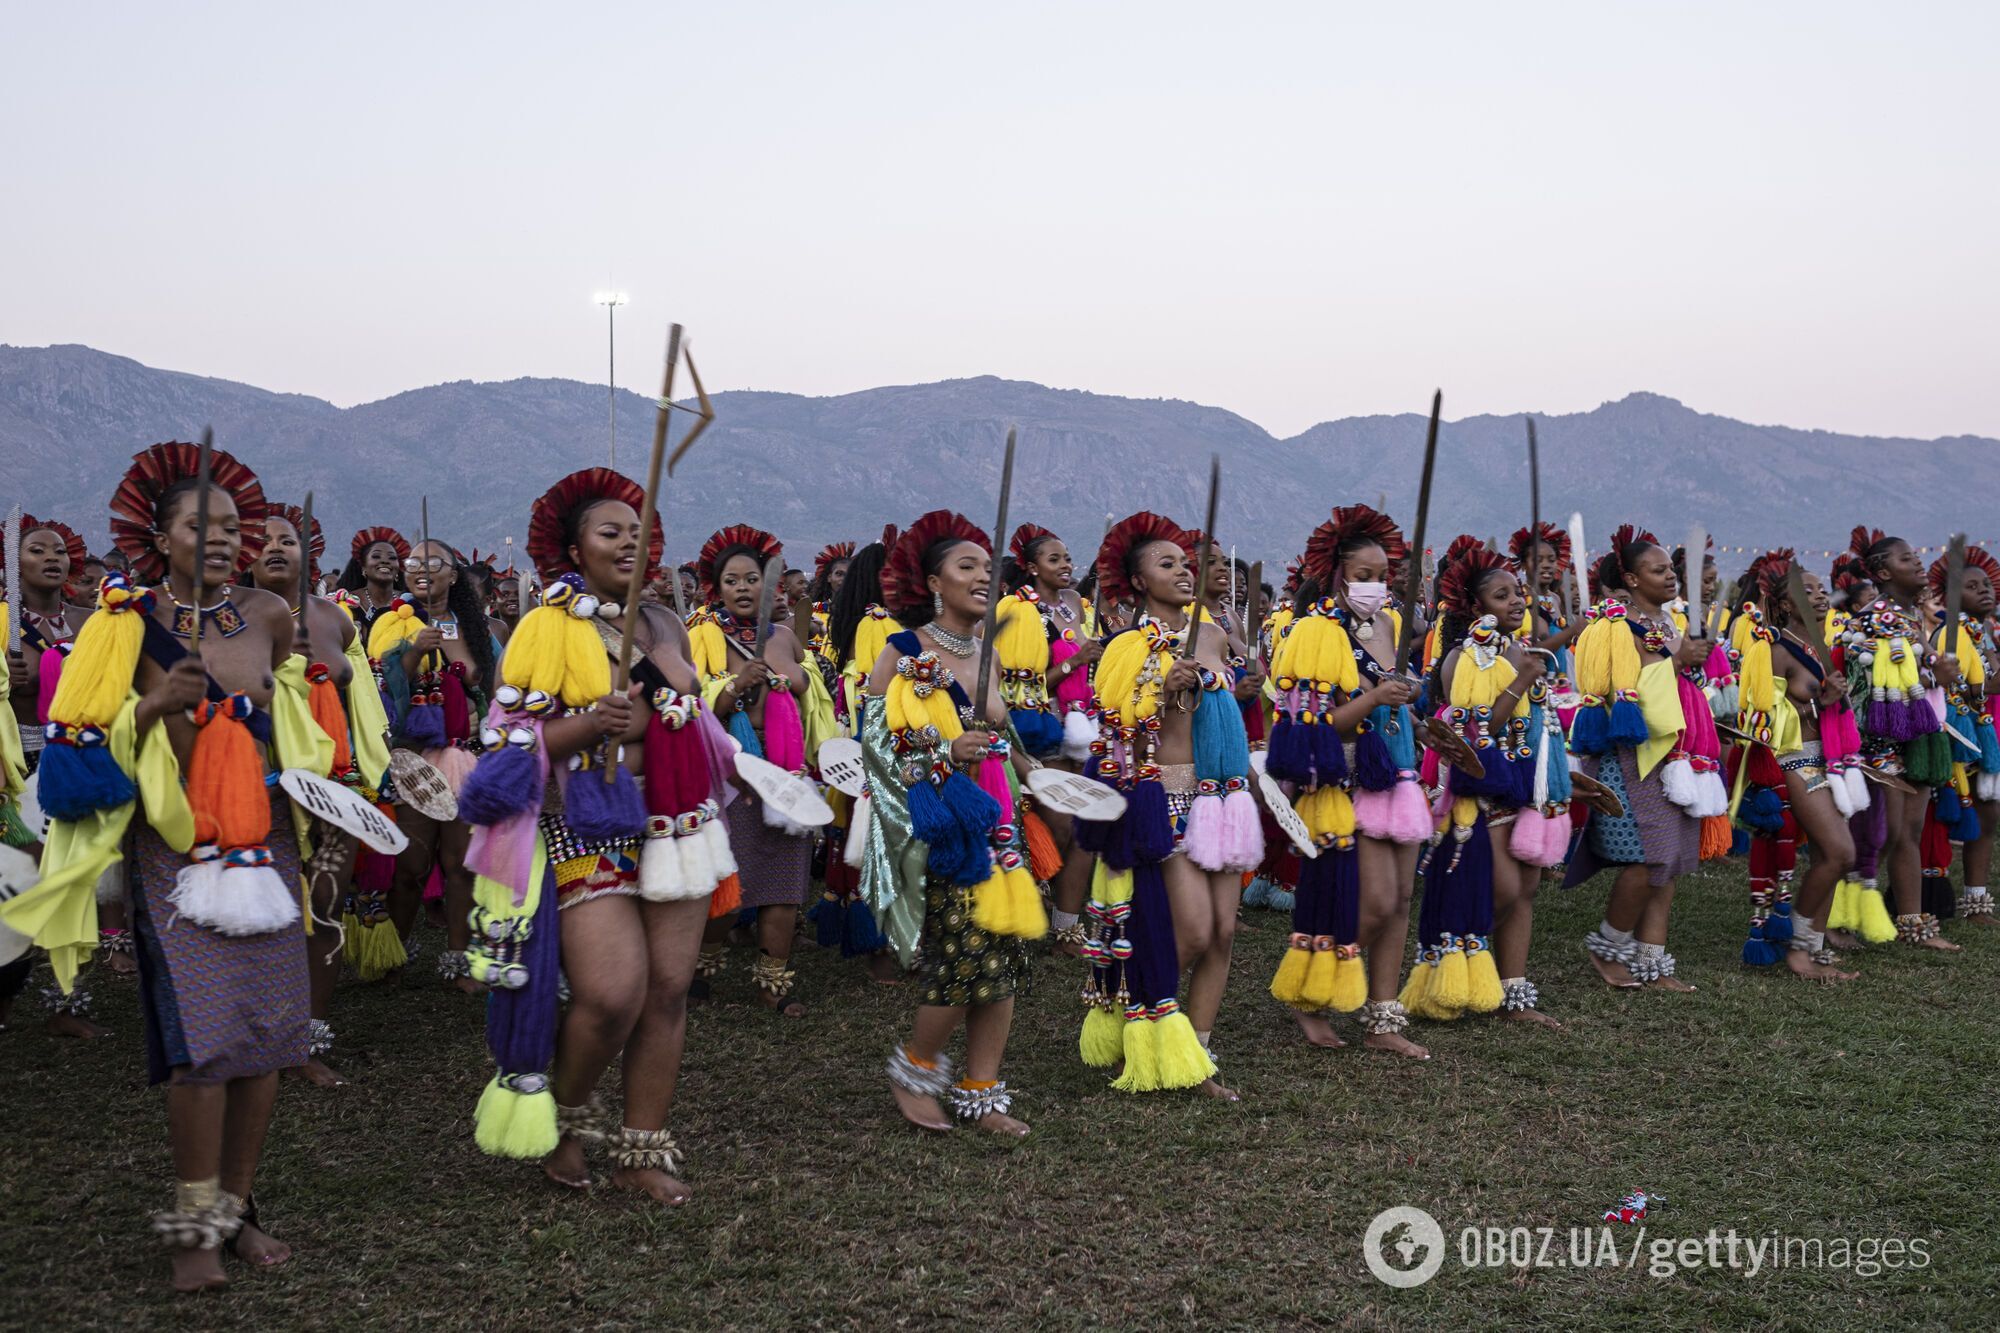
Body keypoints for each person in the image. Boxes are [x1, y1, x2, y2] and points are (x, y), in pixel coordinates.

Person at [7, 441, 323, 1292]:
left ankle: (239, 1207)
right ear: (161, 531)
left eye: (231, 525)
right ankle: (193, 1224)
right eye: (200, 524)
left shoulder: (268, 615)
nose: (221, 538)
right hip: (171, 852)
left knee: (264, 1041)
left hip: (265, 845)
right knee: (204, 1047)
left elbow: (290, 728)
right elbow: (73, 761)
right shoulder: (120, 621)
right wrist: (150, 706)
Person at [456, 467, 738, 1205]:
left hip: (674, 822)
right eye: (609, 532)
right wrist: (588, 725)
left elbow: (695, 723)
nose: (628, 542)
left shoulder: (667, 625)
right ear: (573, 549)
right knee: (613, 993)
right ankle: (565, 1118)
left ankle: (640, 1150)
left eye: (638, 532)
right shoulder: (548, 626)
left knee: (669, 989)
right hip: (584, 821)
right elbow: (511, 739)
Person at [862, 510, 1044, 1134]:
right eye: (966, 567)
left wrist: (1036, 772)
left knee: (1006, 950)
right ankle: (915, 1066)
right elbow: (872, 744)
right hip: (944, 827)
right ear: (933, 583)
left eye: (988, 570)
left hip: (1002, 820)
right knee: (963, 955)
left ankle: (983, 1089)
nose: (982, 578)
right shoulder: (903, 651)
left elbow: (1001, 734)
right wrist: (943, 753)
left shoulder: (988, 653)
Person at [1078, 512, 1262, 1097]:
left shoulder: (1211, 633)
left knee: (1225, 933)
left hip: (1223, 796)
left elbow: (1230, 709)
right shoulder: (1125, 646)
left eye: (1185, 563)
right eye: (1167, 565)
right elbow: (1117, 733)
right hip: (1171, 795)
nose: (1183, 572)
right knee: (1194, 933)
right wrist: (1160, 690)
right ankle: (1147, 1023)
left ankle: (1197, 1053)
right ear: (1136, 583)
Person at [1267, 506, 1432, 1058]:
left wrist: (1411, 714)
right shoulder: (1315, 632)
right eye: (1364, 576)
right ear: (1336, 573)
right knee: (1376, 900)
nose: (1376, 586)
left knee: (1403, 896)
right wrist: (1376, 697)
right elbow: (1312, 725)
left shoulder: (1389, 625)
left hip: (1398, 772)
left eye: (1382, 575)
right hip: (1346, 780)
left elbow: (1395, 701)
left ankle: (1383, 1017)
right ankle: (1311, 993)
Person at [247, 504, 394, 1079]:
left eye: (288, 539)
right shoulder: (228, 616)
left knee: (326, 905)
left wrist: (377, 771)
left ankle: (308, 1037)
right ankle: (261, 1032)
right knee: (271, 912)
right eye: (264, 540)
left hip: (334, 789)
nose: (277, 547)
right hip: (261, 787)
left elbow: (364, 707)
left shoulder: (338, 620)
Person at [687, 525, 835, 1016]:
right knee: (727, 880)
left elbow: (816, 706)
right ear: (718, 588)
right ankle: (702, 969)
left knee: (785, 884)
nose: (745, 588)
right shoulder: (703, 638)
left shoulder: (788, 638)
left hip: (788, 774)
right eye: (733, 581)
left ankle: (774, 983)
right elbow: (690, 705)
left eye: (753, 579)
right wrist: (731, 689)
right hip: (732, 779)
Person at [1419, 545, 1567, 1026]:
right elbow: (1475, 731)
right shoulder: (1464, 657)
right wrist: (1522, 681)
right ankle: (1464, 975)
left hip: (1521, 784)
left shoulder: (1516, 649)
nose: (1517, 601)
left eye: (1518, 592)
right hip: (1481, 791)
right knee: (1501, 889)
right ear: (1475, 607)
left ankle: (1513, 990)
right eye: (1502, 596)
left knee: (1524, 889)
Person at [1567, 526, 1711, 990]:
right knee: (1646, 859)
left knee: (1670, 860)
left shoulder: (1670, 623)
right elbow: (1606, 690)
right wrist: (1677, 661)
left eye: (1671, 568)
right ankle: (1608, 945)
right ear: (1630, 578)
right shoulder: (1611, 625)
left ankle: (1652, 962)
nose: (1671, 577)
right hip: (1631, 758)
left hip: (1674, 755)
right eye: (1658, 570)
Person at [3, 514, 126, 1034]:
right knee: (25, 878)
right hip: (19, 762)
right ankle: (7, 1001)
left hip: (82, 761)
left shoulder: (91, 618)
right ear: (14, 563)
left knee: (75, 880)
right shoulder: (4, 622)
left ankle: (65, 1004)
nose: (51, 558)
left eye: (58, 551)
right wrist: (9, 680)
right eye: (36, 551)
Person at [370, 540, 501, 986]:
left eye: (432, 562)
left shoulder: (479, 631)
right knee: (409, 865)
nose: (420, 568)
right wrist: (411, 652)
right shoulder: (391, 624)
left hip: (468, 756)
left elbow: (500, 692)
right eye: (413, 562)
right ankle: (391, 955)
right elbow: (379, 693)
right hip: (412, 759)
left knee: (461, 864)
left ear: (453, 575)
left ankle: (461, 961)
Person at [1732, 549, 1860, 981]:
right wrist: (1817, 705)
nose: (1820, 596)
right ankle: (1800, 953)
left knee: (1830, 854)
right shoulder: (1776, 649)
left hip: (1830, 760)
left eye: (1821, 589)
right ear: (1785, 604)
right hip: (1796, 761)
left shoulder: (1819, 646)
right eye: (1807, 592)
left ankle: (1812, 946)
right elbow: (1756, 713)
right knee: (1840, 852)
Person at [1837, 528, 1960, 952]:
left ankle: (1911, 924)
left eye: (1916, 556)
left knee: (1908, 830)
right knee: (1881, 833)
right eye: (1907, 559)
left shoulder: (1908, 617)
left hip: (1917, 738)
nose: (1918, 563)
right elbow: (1866, 682)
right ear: (1884, 571)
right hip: (1881, 742)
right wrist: (1933, 676)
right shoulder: (1876, 617)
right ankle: (1840, 916)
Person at [993, 523, 1101, 953]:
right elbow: (1021, 686)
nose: (1065, 564)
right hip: (1042, 728)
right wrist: (1076, 662)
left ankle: (1067, 926)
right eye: (1053, 559)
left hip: (1085, 728)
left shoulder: (1077, 604)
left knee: (1087, 828)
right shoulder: (1015, 610)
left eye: (1067, 557)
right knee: (1059, 826)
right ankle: (1030, 911)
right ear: (1032, 567)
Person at [1929, 544, 2000, 923]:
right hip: (1961, 740)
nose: (1984, 590)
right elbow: (1981, 686)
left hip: (1986, 732)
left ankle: (1976, 901)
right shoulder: (1950, 635)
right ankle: (1925, 899)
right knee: (1947, 817)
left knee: (1988, 816)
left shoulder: (1988, 632)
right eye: (1973, 586)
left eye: (1987, 584)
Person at [335, 527, 409, 640]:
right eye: (376, 556)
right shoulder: (347, 602)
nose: (385, 561)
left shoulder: (408, 601)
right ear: (363, 567)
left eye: (392, 558)